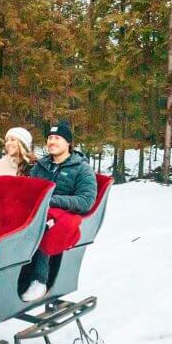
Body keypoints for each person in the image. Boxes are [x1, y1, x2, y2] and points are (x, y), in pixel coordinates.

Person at [21, 119, 98, 302]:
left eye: (57, 138)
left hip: (64, 214)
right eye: (49, 138)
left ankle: (39, 279)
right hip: (40, 209)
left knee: (48, 224)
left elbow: (86, 200)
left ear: (68, 143)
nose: (52, 142)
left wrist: (52, 201)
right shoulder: (41, 165)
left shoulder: (82, 168)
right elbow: (31, 189)